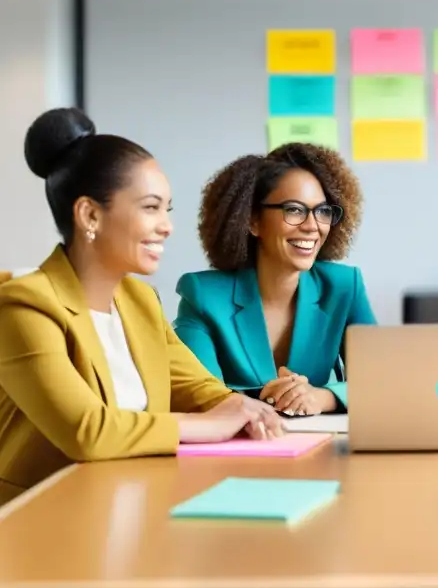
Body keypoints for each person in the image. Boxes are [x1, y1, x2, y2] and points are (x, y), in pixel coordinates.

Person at [0, 108, 282, 505]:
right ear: (90, 215)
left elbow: (194, 386)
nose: (166, 226)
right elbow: (88, 431)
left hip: (130, 499)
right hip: (40, 518)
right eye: (150, 207)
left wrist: (240, 407)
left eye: (167, 209)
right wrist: (206, 425)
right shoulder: (23, 306)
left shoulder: (140, 302)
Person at [174, 142, 375, 415]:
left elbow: (381, 381)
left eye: (323, 211)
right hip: (237, 451)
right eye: (294, 210)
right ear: (252, 220)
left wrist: (322, 397)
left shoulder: (343, 287)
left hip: (321, 449)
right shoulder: (203, 295)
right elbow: (193, 394)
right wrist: (262, 398)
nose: (313, 225)